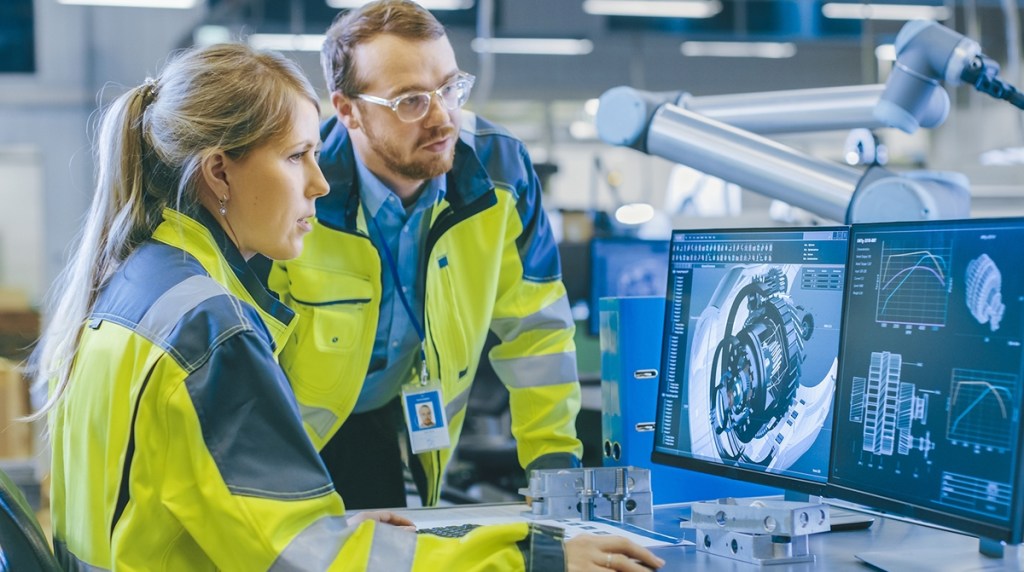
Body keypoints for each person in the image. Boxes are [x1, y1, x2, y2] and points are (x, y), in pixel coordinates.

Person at [30, 42, 664, 571]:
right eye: (296, 156)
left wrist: (347, 528)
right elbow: (312, 562)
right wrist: (534, 558)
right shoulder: (209, 331)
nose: (320, 181)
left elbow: (207, 513)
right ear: (219, 174)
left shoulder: (133, 289)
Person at [268, 0, 584, 511]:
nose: (442, 118)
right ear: (348, 109)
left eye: (450, 88)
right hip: (285, 438)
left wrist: (556, 479)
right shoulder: (298, 190)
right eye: (411, 100)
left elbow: (537, 333)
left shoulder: (500, 169)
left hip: (390, 421)